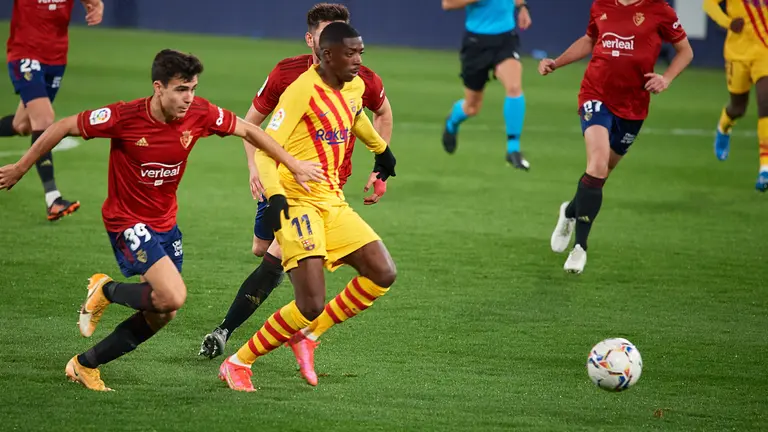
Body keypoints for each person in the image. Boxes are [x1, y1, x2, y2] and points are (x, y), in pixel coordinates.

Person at [0, 49, 324, 391]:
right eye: (181, 89)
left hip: (165, 223)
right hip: (126, 219)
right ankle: (106, 290)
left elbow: (249, 130)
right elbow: (63, 125)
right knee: (173, 295)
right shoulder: (124, 116)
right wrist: (21, 168)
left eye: (193, 88)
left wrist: (292, 163)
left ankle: (86, 363)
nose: (189, 98)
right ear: (158, 87)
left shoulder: (200, 113)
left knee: (162, 311)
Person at [198, 2, 393, 365]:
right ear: (312, 40)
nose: (347, 53)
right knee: (263, 250)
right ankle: (289, 329)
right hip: (283, 180)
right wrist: (255, 169)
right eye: (326, 37)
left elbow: (375, 114)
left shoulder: (358, 77)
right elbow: (251, 124)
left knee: (277, 259)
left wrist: (381, 162)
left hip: (329, 187)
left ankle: (229, 335)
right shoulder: (290, 77)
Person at [539, 0, 693, 274]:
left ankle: (570, 212)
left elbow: (685, 51)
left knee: (600, 173)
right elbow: (589, 40)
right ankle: (580, 248)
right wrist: (557, 62)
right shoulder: (601, 5)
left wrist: (666, 78)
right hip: (595, 94)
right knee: (597, 164)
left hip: (633, 107)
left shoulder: (660, 10)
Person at [2, 0, 105, 220]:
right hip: (25, 54)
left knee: (23, 125)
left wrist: (95, 4)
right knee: (45, 119)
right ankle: (53, 198)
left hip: (56, 57)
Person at [441, 0, 532, 170]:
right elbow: (447, 3)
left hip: (505, 40)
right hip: (476, 43)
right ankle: (452, 121)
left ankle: (513, 149)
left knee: (513, 87)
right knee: (472, 107)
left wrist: (522, 7)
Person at [704, 0, 768, 191]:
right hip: (737, 53)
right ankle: (724, 126)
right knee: (738, 107)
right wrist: (728, 22)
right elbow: (709, 4)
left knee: (766, 103)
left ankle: (765, 168)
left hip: (764, 51)